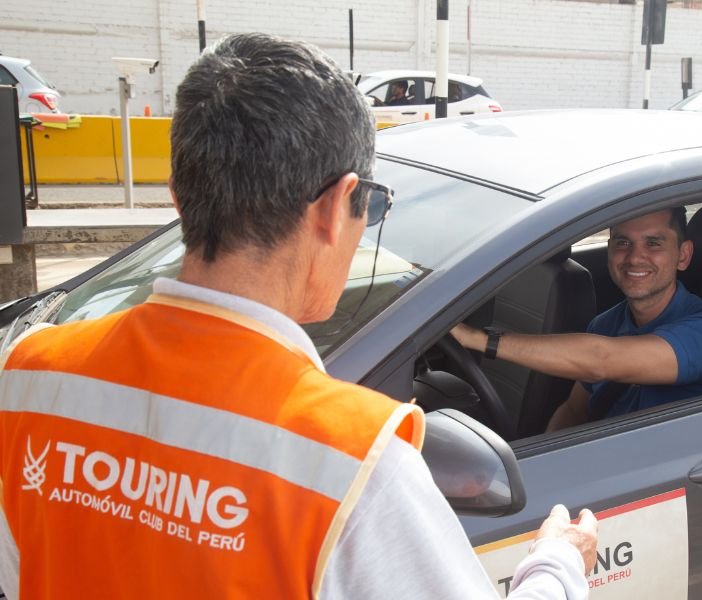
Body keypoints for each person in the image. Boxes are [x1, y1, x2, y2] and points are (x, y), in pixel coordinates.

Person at [0, 33, 596, 599]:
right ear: (337, 207)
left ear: (177, 197)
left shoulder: (31, 375)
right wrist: (558, 564)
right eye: (374, 205)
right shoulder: (351, 460)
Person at [451, 207, 702, 431]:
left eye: (653, 243)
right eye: (623, 242)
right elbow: (575, 410)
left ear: (683, 255)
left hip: (663, 483)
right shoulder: (605, 325)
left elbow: (602, 360)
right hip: (601, 466)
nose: (635, 257)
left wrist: (475, 338)